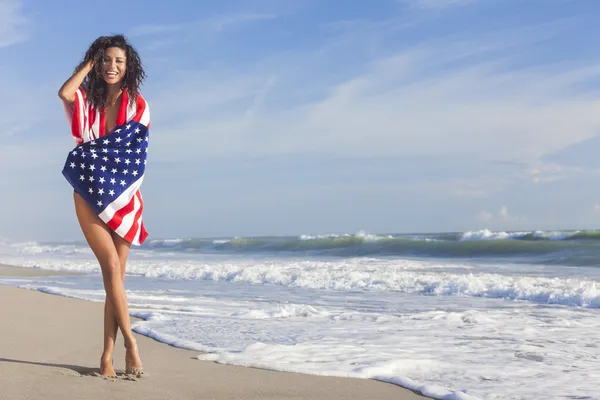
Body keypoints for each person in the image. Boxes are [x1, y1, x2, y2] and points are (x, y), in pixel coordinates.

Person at [58, 35, 149, 377]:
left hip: (125, 198)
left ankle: (106, 357)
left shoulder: (138, 105)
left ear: (129, 67)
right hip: (88, 194)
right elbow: (65, 93)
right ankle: (132, 345)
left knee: (116, 280)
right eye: (106, 60)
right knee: (111, 268)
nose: (112, 66)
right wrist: (88, 65)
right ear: (98, 63)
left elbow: (135, 158)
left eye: (119, 61)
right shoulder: (86, 101)